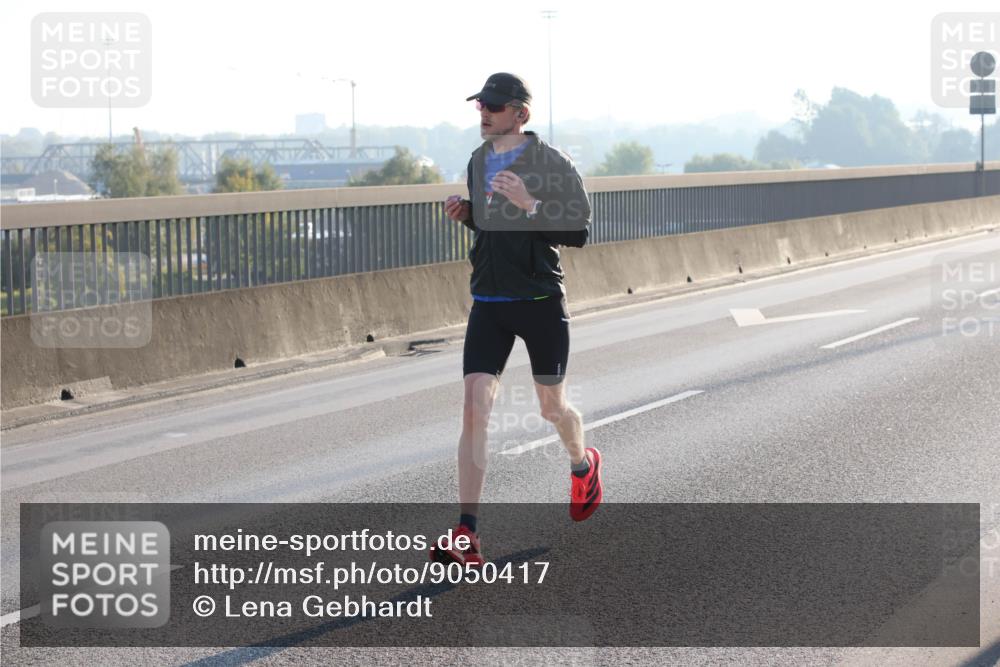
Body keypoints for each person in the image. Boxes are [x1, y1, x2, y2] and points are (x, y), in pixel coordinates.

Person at [430, 73, 602, 567]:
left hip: (540, 300)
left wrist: (530, 205)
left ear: (521, 114)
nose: (484, 112)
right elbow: (490, 225)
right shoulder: (478, 160)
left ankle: (582, 463)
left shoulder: (551, 163)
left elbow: (578, 230)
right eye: (481, 104)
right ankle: (468, 532)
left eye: (495, 106)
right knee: (473, 406)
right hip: (489, 301)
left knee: (553, 409)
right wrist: (467, 214)